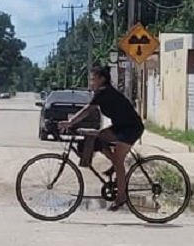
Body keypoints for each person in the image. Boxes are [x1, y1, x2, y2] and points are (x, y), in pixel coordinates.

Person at [58, 64, 144, 210]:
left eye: (93, 79)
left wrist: (71, 122)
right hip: (120, 126)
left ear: (102, 80)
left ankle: (121, 197)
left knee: (119, 163)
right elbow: (89, 111)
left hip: (131, 128)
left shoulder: (104, 93)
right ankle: (113, 166)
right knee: (98, 139)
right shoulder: (101, 93)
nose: (91, 82)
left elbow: (87, 110)